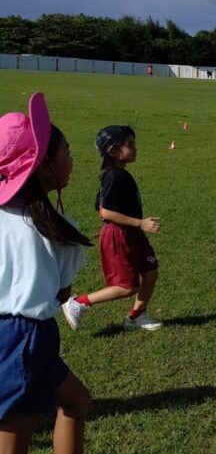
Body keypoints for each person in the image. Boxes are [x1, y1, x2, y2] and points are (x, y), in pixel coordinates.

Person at [0, 93, 128, 454]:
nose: (73, 160)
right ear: (45, 168)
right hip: (23, 340)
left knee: (74, 400)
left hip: (16, 338)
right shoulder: (58, 230)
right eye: (67, 153)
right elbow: (60, 295)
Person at [63, 126, 163, 331]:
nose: (135, 149)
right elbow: (105, 213)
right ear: (113, 151)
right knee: (127, 287)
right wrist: (140, 222)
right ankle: (79, 302)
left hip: (133, 234)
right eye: (129, 145)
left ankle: (136, 316)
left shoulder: (119, 175)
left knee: (150, 273)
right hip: (119, 236)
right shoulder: (114, 177)